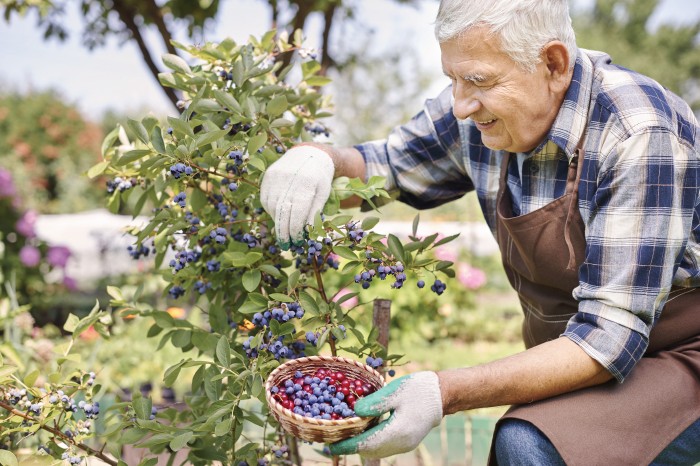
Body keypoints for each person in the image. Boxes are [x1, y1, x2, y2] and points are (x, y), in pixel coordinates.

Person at [260, 0, 700, 464]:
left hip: (682, 354)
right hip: (589, 350)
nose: (461, 106)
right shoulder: (481, 115)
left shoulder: (638, 133)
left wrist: (443, 392)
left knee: (530, 444)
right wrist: (318, 161)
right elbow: (382, 166)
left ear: (553, 63)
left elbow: (609, 339)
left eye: (478, 81)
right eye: (453, 79)